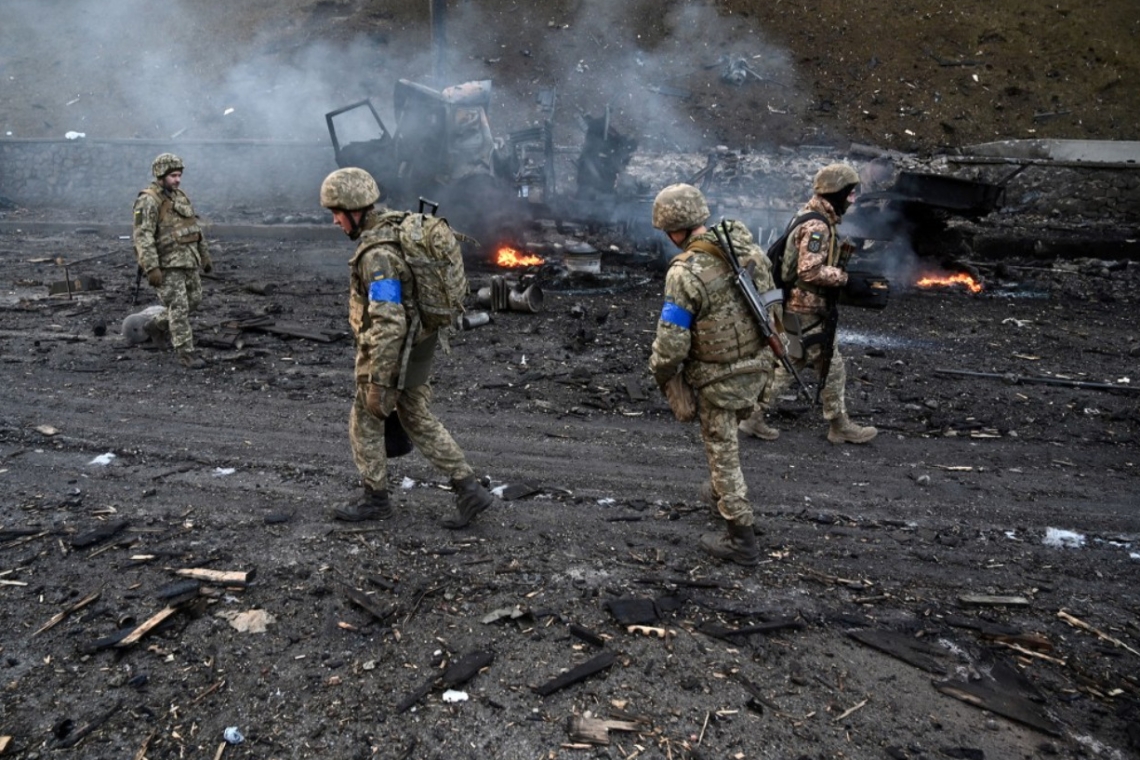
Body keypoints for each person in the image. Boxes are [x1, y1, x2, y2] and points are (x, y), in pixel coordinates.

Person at [319, 166, 496, 528]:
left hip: (393, 349)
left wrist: (380, 379)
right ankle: (468, 488)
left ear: (356, 210)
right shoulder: (394, 226)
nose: (335, 221)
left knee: (366, 417)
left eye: (337, 212)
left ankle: (376, 500)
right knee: (416, 416)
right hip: (418, 342)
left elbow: (388, 320)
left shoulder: (377, 257)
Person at [648, 183, 775, 567]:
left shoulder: (684, 272)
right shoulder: (749, 251)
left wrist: (661, 374)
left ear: (675, 230)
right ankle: (722, 494)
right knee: (729, 443)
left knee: (723, 453)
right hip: (759, 369)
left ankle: (741, 537)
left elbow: (671, 344)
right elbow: (773, 309)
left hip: (718, 381)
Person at [739, 163, 877, 445]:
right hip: (806, 307)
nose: (852, 201)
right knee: (829, 364)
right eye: (850, 194)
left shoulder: (807, 214)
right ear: (836, 192)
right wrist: (846, 279)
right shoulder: (818, 226)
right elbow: (808, 271)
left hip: (795, 305)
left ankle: (752, 416)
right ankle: (839, 425)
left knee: (793, 361)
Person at [132, 152, 212, 370]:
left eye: (179, 175)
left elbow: (194, 228)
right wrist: (152, 267)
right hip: (167, 265)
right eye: (173, 175)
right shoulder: (148, 201)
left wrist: (204, 255)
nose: (177, 179)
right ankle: (186, 354)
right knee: (178, 308)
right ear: (160, 175)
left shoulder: (180, 196)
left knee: (193, 301)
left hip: (188, 261)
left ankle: (156, 325)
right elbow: (143, 236)